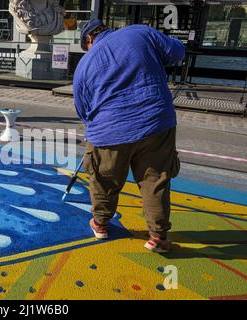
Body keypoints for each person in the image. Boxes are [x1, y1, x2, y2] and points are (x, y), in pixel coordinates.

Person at [73, 18, 185, 253]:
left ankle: (101, 224)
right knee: (155, 181)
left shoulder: (84, 64)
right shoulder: (141, 33)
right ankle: (158, 236)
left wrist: (95, 130)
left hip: (107, 130)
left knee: (104, 180)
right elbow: (177, 52)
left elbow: (83, 108)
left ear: (89, 39)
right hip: (155, 121)